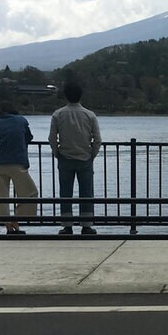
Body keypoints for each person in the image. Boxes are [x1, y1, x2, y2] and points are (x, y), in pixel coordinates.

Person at [49, 81, 102, 235]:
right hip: (85, 158)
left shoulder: (58, 114)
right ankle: (86, 226)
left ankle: (67, 226)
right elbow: (97, 139)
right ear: (81, 96)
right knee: (86, 193)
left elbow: (52, 137)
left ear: (65, 96)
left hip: (65, 157)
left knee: (65, 193)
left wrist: (56, 152)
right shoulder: (89, 114)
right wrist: (92, 155)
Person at [0, 102, 39, 235]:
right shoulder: (21, 120)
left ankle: (7, 225)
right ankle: (17, 220)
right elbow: (29, 137)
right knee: (30, 193)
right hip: (17, 161)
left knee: (0, 197)